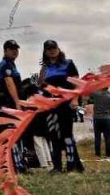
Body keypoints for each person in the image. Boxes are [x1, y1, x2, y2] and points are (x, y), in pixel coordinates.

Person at [39, 40, 84, 172]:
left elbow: (78, 83)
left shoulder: (68, 64)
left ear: (58, 49)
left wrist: (75, 100)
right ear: (45, 52)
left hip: (66, 103)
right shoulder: (45, 68)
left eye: (54, 48)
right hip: (50, 106)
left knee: (67, 135)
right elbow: (41, 87)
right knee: (53, 135)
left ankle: (71, 165)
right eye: (49, 49)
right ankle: (57, 166)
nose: (52, 50)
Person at [0, 40, 26, 172]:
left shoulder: (12, 64)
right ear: (5, 51)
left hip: (9, 103)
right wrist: (17, 102)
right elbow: (9, 84)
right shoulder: (5, 64)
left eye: (16, 49)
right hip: (6, 104)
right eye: (11, 49)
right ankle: (15, 166)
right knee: (11, 135)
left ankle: (12, 165)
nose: (15, 51)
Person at [89, 87, 110, 157]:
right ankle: (108, 153)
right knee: (107, 137)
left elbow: (89, 93)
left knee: (97, 137)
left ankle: (97, 153)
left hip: (97, 118)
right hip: (106, 118)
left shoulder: (96, 95)